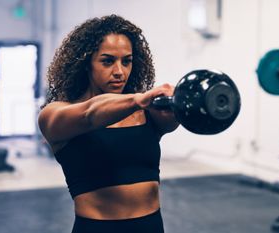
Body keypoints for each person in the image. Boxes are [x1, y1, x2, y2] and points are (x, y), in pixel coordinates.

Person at [38, 14, 179, 233]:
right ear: (86, 63)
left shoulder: (147, 113)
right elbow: (91, 114)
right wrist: (137, 99)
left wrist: (182, 101)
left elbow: (178, 120)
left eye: (126, 61)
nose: (119, 72)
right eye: (107, 61)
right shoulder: (55, 114)